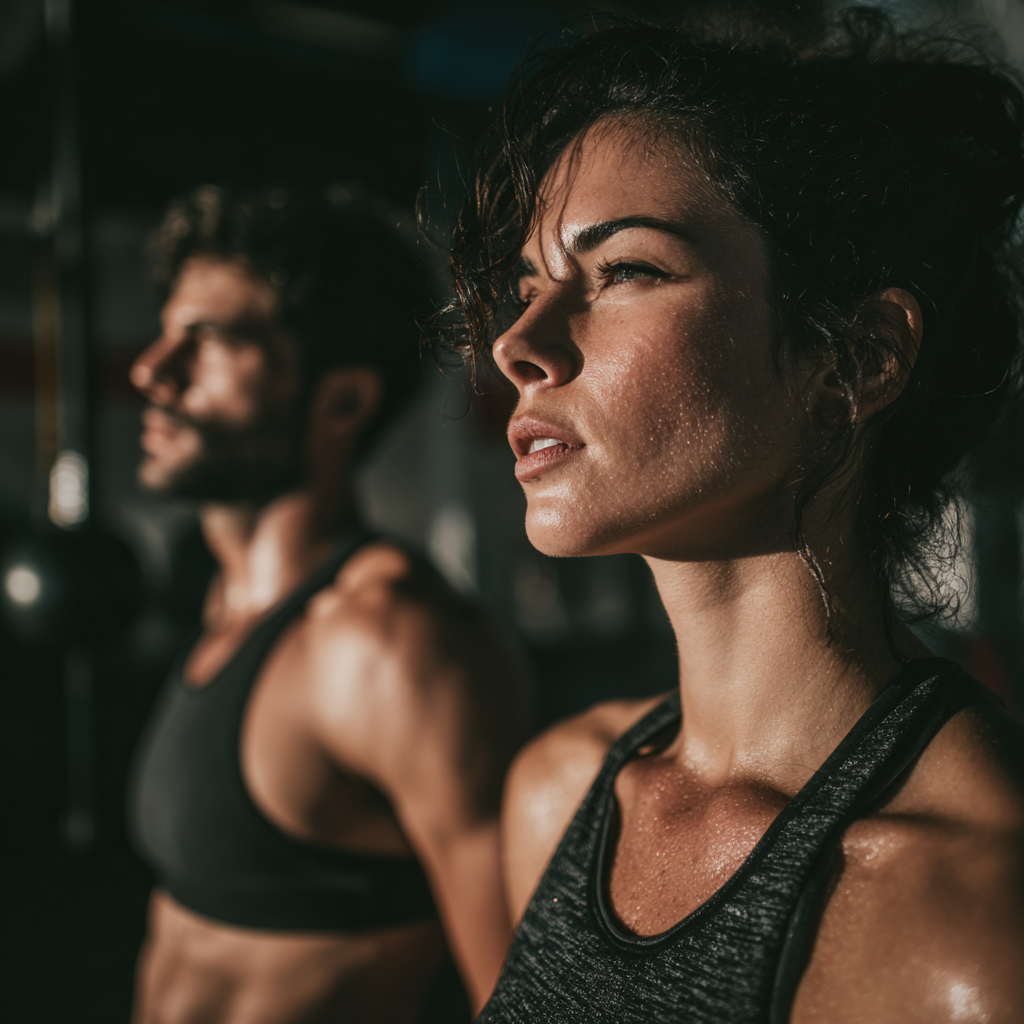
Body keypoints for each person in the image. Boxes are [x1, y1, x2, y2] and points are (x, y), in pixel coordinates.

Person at [437, 9, 1024, 1023]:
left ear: (855, 358)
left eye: (625, 270)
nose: (517, 343)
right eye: (528, 285)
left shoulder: (969, 918)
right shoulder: (561, 793)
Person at [127, 185, 526, 1024]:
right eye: (166, 332)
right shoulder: (228, 603)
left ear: (342, 400)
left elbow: (526, 994)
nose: (151, 370)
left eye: (209, 342)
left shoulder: (390, 645)